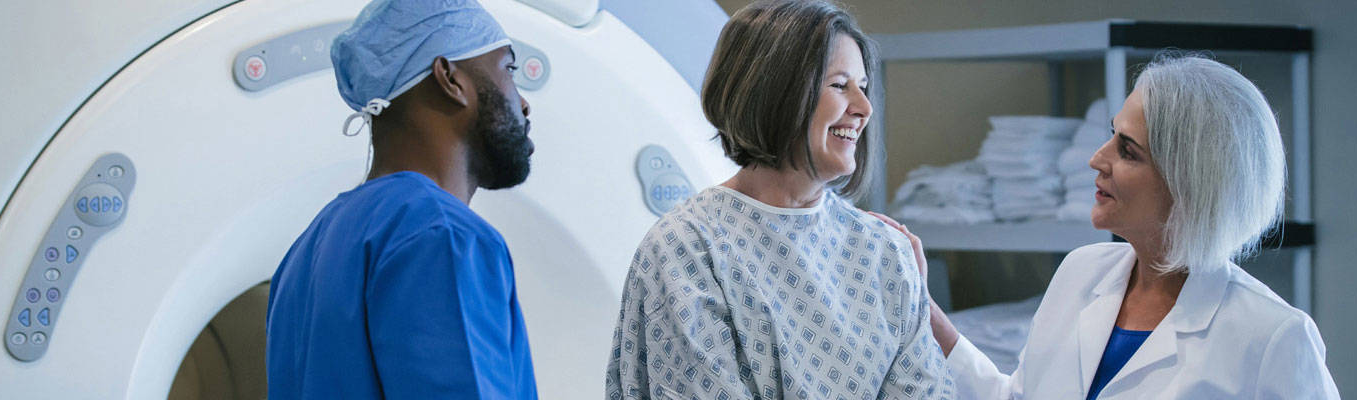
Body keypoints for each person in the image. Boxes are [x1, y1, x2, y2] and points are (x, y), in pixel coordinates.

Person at [877, 54, 1340, 399]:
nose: (1097, 160)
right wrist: (926, 311)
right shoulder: (1081, 272)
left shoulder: (1273, 336)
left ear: (1191, 184)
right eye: (1110, 135)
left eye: (1128, 151)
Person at [604, 1, 954, 398]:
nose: (864, 108)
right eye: (840, 85)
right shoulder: (687, 250)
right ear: (773, 92)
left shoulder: (885, 251)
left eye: (864, 87)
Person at [265, 0, 538, 398]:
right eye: (508, 70)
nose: (524, 102)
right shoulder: (443, 235)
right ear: (450, 78)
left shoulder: (307, 252)